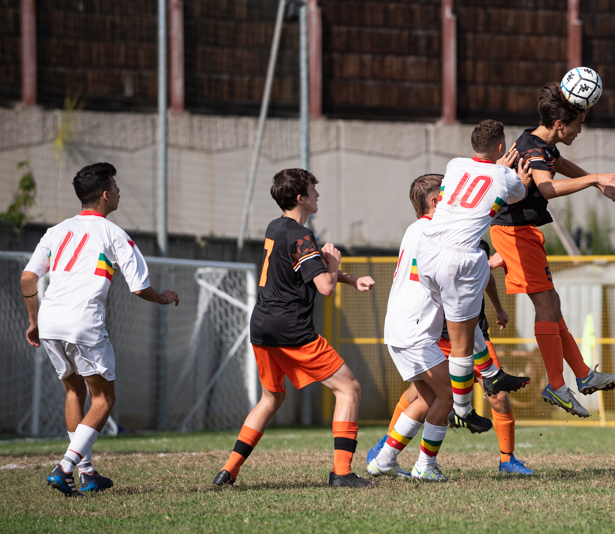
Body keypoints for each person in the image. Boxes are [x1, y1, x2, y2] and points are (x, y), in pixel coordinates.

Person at [21, 162, 180, 497]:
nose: (120, 192)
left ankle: (88, 473)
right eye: (117, 187)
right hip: (83, 322)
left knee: (74, 392)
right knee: (104, 399)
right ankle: (65, 467)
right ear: (106, 194)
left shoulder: (56, 231)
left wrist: (34, 321)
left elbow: (27, 278)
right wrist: (165, 298)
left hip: (50, 321)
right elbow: (139, 287)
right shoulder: (114, 234)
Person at [212, 168, 377, 489]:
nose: (318, 195)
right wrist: (335, 264)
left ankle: (228, 470)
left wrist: (350, 278)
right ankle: (342, 473)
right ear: (301, 198)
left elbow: (306, 270)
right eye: (313, 190)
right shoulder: (302, 235)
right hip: (291, 329)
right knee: (349, 389)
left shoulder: (276, 227)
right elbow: (325, 286)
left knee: (271, 398)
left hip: (262, 326)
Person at [367, 176, 532, 475]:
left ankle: (385, 459)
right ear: (435, 202)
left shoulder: (416, 230)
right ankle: (425, 465)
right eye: (449, 194)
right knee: (447, 395)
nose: (457, 200)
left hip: (403, 327)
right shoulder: (438, 233)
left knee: (427, 397)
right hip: (417, 330)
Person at [489, 82, 615, 417]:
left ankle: (582, 375)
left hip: (521, 231)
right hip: (514, 232)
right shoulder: (534, 150)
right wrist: (595, 178)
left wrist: (597, 183)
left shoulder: (539, 142)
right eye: (578, 125)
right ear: (559, 125)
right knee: (546, 305)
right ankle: (557, 385)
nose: (580, 130)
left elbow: (561, 164)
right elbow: (548, 188)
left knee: (552, 304)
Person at [415, 120, 533, 433]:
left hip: (427, 253)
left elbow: (476, 182)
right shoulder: (506, 175)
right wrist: (518, 177)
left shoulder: (454, 165)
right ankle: (462, 410)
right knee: (462, 344)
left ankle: (492, 373)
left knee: (466, 326)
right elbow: (517, 194)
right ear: (500, 147)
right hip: (459, 260)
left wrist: (498, 169)